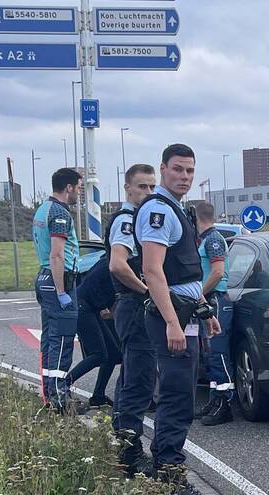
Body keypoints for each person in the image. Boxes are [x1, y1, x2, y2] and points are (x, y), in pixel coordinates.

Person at [136, 144, 219, 495]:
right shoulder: (157, 211)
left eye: (189, 171)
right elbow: (152, 271)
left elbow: (185, 273)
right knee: (176, 397)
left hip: (185, 313)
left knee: (181, 395)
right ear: (163, 169)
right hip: (172, 317)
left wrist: (204, 310)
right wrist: (172, 321)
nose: (184, 177)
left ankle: (166, 472)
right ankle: (170, 477)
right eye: (177, 170)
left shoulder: (176, 210)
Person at [108, 163, 157, 476]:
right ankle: (131, 454)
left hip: (131, 307)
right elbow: (117, 265)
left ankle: (123, 444)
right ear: (128, 188)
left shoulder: (138, 219)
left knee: (131, 378)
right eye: (143, 187)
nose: (149, 193)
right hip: (134, 306)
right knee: (139, 382)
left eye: (152, 187)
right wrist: (147, 291)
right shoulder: (127, 221)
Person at [32, 167, 82, 414]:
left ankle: (50, 394)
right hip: (58, 281)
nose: (79, 193)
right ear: (69, 187)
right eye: (79, 188)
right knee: (63, 341)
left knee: (50, 340)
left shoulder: (42, 209)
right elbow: (57, 254)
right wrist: (62, 290)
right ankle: (61, 400)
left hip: (43, 278)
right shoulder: (60, 213)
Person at [193, 201, 234, 426]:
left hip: (215, 299)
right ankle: (214, 399)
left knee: (217, 353)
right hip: (208, 300)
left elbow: (217, 273)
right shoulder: (205, 239)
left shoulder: (213, 239)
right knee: (209, 355)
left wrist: (197, 293)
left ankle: (225, 403)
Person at [67, 250, 121, 407]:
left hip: (90, 307)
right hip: (83, 307)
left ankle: (98, 396)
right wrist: (103, 306)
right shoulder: (109, 264)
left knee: (113, 354)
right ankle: (62, 386)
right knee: (98, 354)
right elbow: (92, 283)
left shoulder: (108, 261)